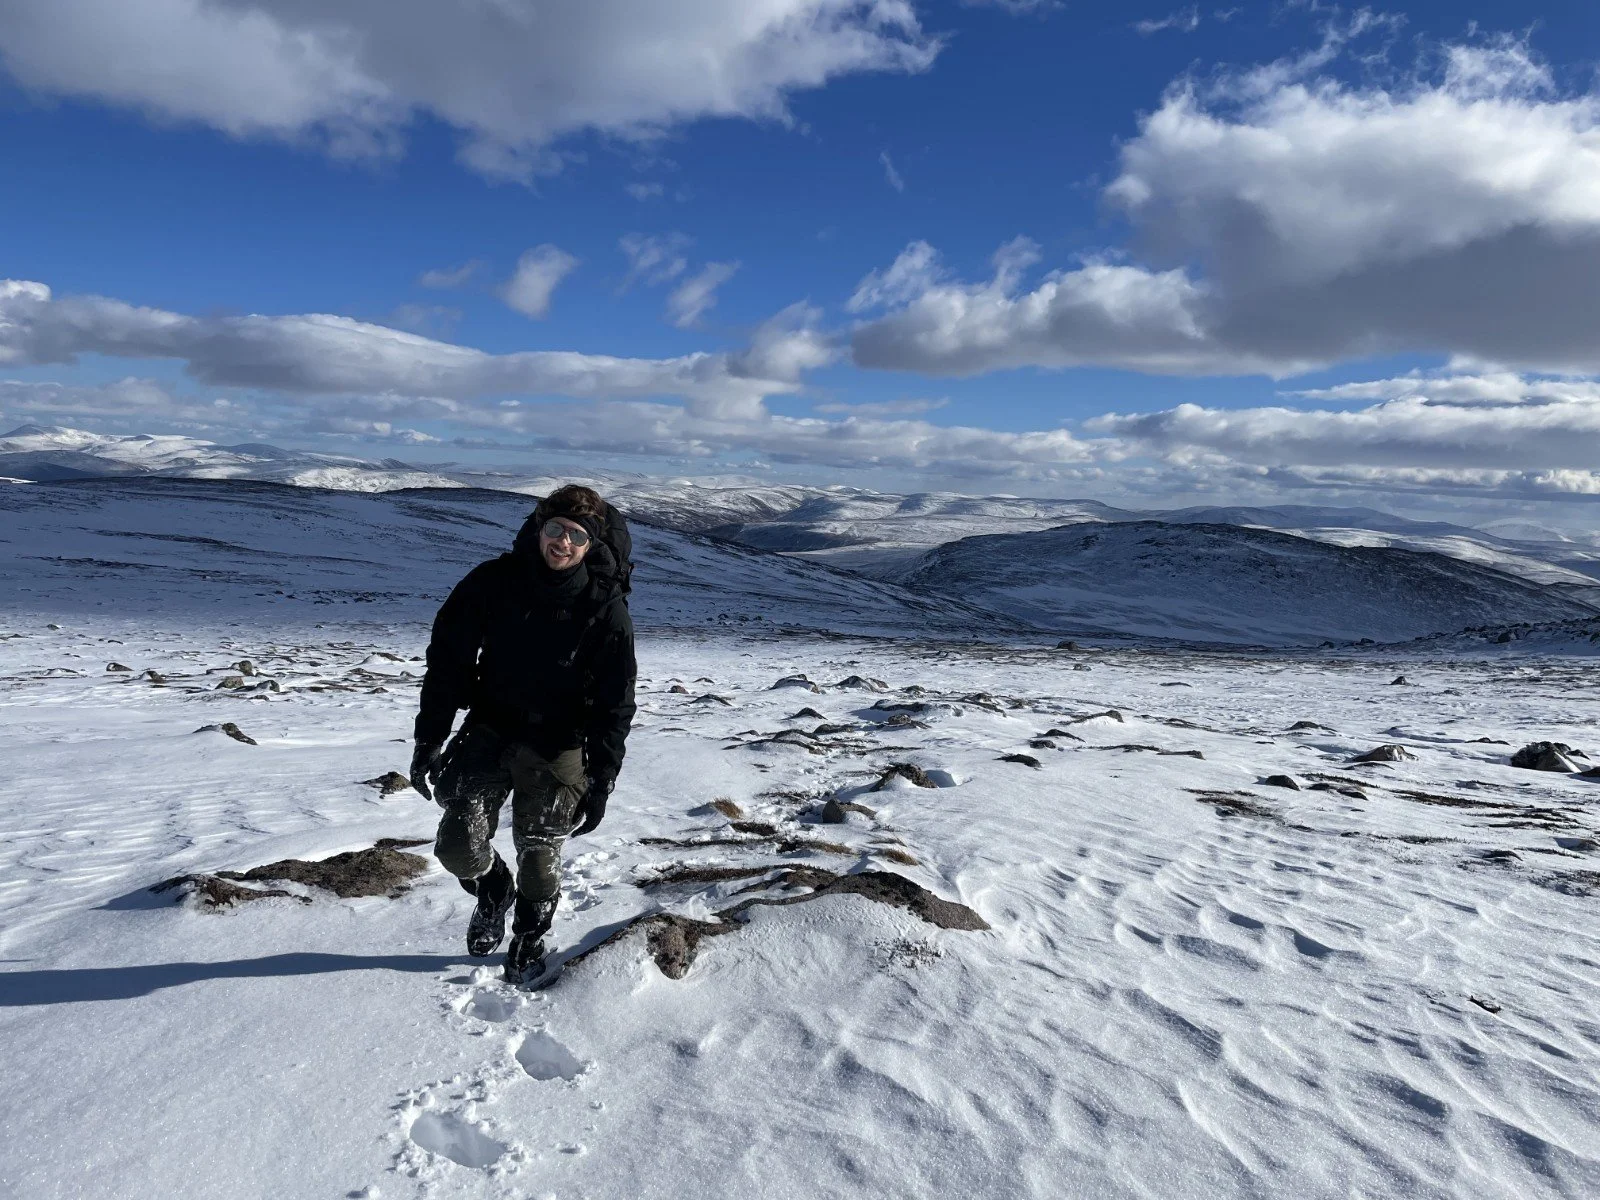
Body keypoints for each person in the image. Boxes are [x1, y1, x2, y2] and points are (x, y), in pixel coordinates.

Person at [408, 484, 636, 985]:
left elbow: (615, 701)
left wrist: (603, 778)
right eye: (555, 528)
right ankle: (493, 890)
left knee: (539, 856)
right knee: (457, 846)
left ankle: (530, 935)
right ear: (538, 528)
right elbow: (448, 662)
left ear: (591, 544)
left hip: (559, 745)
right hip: (490, 729)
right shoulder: (492, 582)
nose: (563, 542)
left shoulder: (604, 606)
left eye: (577, 535)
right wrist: (430, 738)